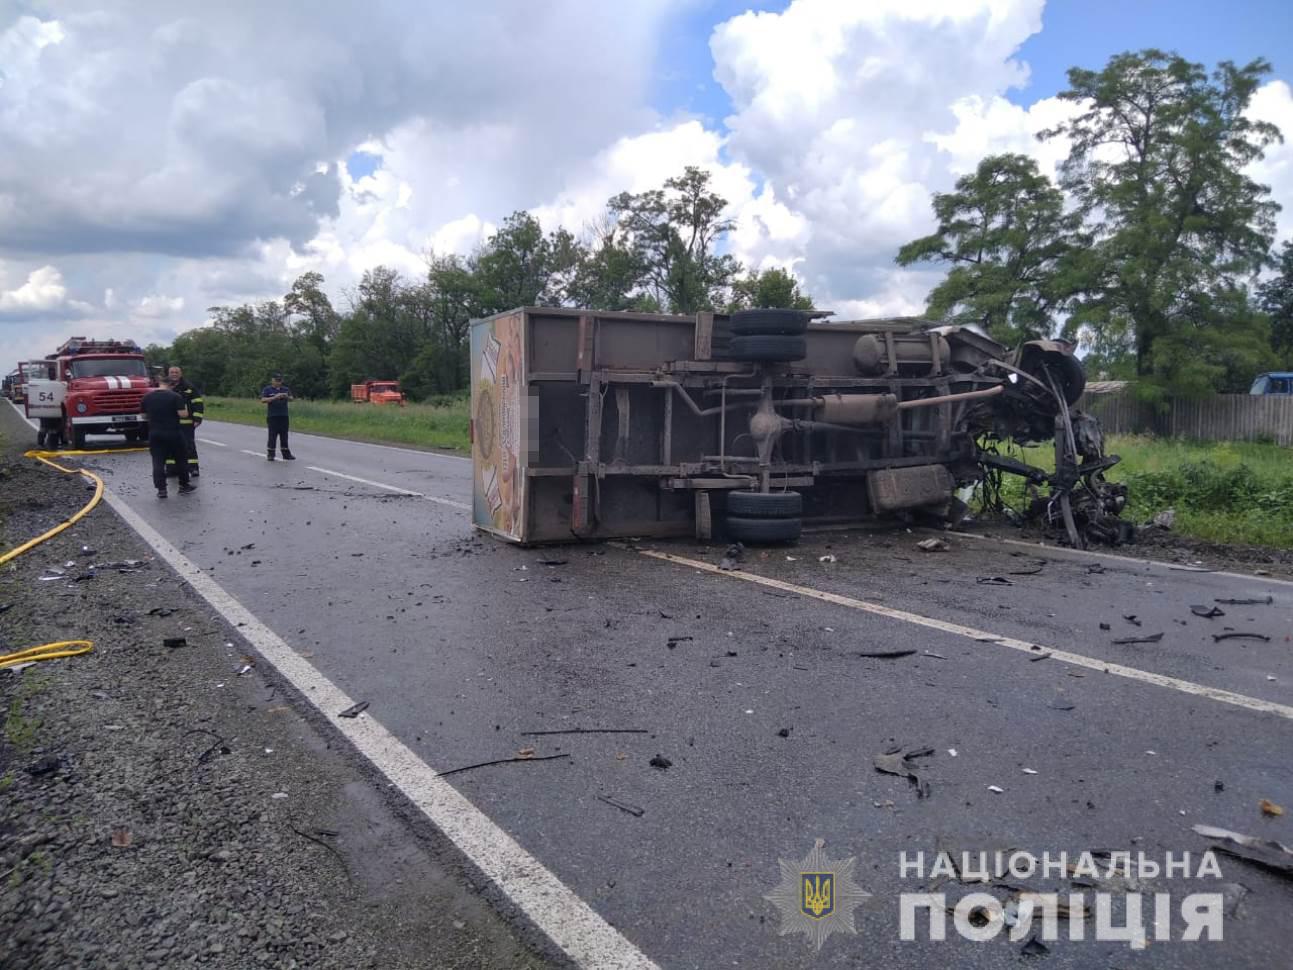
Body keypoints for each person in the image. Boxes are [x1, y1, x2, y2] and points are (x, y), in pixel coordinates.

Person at [140, 378, 195, 498]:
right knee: (181, 459)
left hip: (155, 433)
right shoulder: (175, 396)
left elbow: (144, 416)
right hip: (173, 432)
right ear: (171, 385)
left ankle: (161, 490)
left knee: (158, 461)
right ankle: (184, 485)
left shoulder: (147, 397)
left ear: (159, 384)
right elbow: (183, 414)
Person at [165, 365, 204, 478]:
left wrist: (197, 419)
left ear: (181, 374)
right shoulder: (165, 387)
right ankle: (171, 469)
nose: (174, 374)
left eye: (176, 372)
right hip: (170, 423)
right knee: (170, 446)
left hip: (187, 423)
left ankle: (192, 468)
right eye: (172, 372)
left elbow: (198, 403)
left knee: (189, 446)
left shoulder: (189, 387)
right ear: (169, 374)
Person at [261, 373, 296, 460]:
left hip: (284, 415)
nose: (278, 383)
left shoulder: (285, 389)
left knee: (284, 435)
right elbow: (263, 400)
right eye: (277, 381)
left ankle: (286, 454)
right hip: (273, 416)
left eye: (280, 381)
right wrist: (274, 397)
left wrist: (286, 396)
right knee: (272, 435)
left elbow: (292, 398)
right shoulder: (267, 389)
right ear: (272, 380)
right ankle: (271, 454)